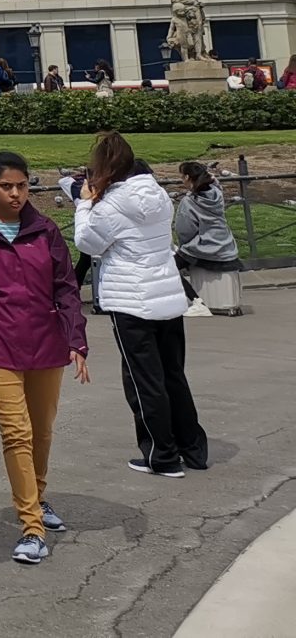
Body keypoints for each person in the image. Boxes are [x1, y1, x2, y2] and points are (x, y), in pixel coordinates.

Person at [0, 151, 90, 564]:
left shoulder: (45, 230)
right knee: (17, 432)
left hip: (46, 342)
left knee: (41, 431)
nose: (15, 194)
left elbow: (65, 288)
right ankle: (32, 525)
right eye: (6, 187)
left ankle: (38, 497)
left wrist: (76, 341)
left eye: (22, 186)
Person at [72, 130, 207, 478]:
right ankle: (192, 447)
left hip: (131, 299)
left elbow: (88, 243)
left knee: (143, 379)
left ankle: (161, 454)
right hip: (166, 295)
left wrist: (85, 203)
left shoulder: (112, 204)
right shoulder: (158, 195)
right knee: (173, 374)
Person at [174, 162, 241, 317]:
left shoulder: (189, 202)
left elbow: (185, 230)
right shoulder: (217, 193)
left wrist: (184, 248)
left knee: (168, 268)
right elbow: (215, 182)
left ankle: (197, 301)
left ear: (187, 178)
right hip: (226, 245)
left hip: (203, 247)